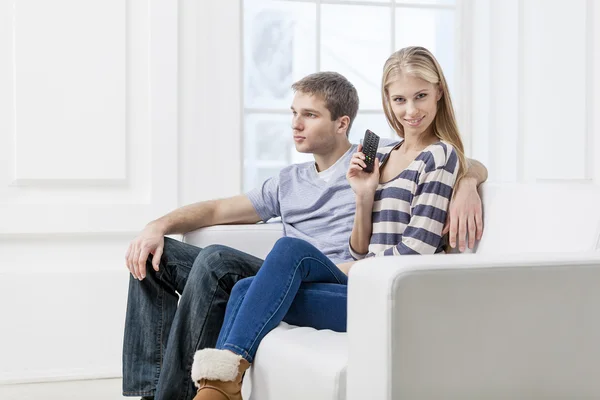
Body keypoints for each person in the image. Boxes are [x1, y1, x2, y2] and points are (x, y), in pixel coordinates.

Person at [123, 70, 487, 400]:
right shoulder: (288, 181)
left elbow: (439, 155)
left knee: (221, 260)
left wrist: (469, 179)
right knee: (158, 256)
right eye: (293, 114)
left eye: (309, 115)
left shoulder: (368, 161)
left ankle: (189, 392)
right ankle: (151, 392)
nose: (296, 125)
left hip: (334, 275)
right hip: (282, 276)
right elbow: (219, 209)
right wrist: (157, 226)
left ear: (342, 123)